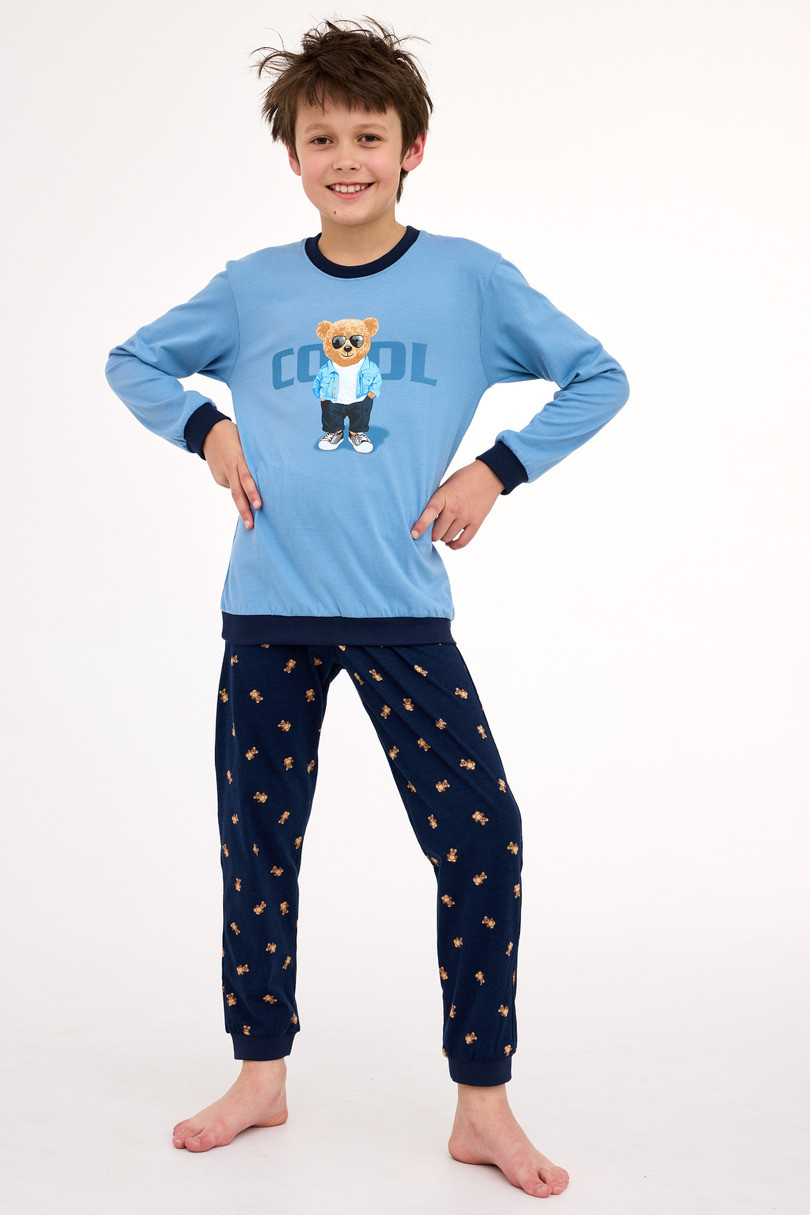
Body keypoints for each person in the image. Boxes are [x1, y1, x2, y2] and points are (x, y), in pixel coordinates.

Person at [104, 16, 628, 1198]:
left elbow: (599, 375)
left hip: (401, 611)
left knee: (482, 838)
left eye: (369, 136)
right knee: (260, 845)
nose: (346, 158)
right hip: (270, 610)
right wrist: (208, 426)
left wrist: (497, 470)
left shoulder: (469, 281)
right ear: (293, 155)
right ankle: (260, 1076)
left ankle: (481, 1106)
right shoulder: (252, 288)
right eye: (322, 137)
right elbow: (134, 360)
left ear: (412, 149)